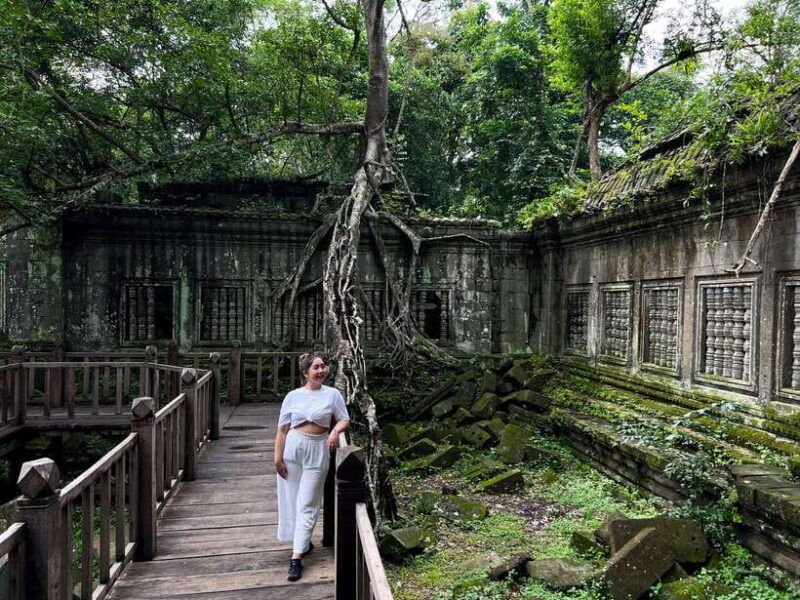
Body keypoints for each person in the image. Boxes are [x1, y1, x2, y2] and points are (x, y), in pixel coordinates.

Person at [274, 352, 350, 582]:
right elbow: (282, 429)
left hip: (318, 449)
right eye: (315, 367)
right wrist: (277, 458)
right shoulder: (293, 396)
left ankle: (296, 558)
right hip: (293, 449)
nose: (321, 371)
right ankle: (303, 543)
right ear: (305, 372)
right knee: (292, 499)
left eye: (323, 366)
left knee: (307, 503)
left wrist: (335, 431)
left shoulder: (333, 394)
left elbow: (344, 419)